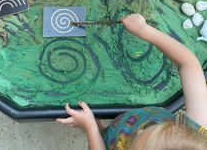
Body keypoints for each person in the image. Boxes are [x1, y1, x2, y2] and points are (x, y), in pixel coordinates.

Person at [56, 14, 207, 149]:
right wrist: (144, 30)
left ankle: (102, 134)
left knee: (101, 137)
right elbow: (190, 64)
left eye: (136, 142)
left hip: (111, 143)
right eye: (147, 129)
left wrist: (90, 128)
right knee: (106, 132)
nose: (139, 130)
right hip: (126, 123)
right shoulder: (194, 135)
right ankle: (104, 132)